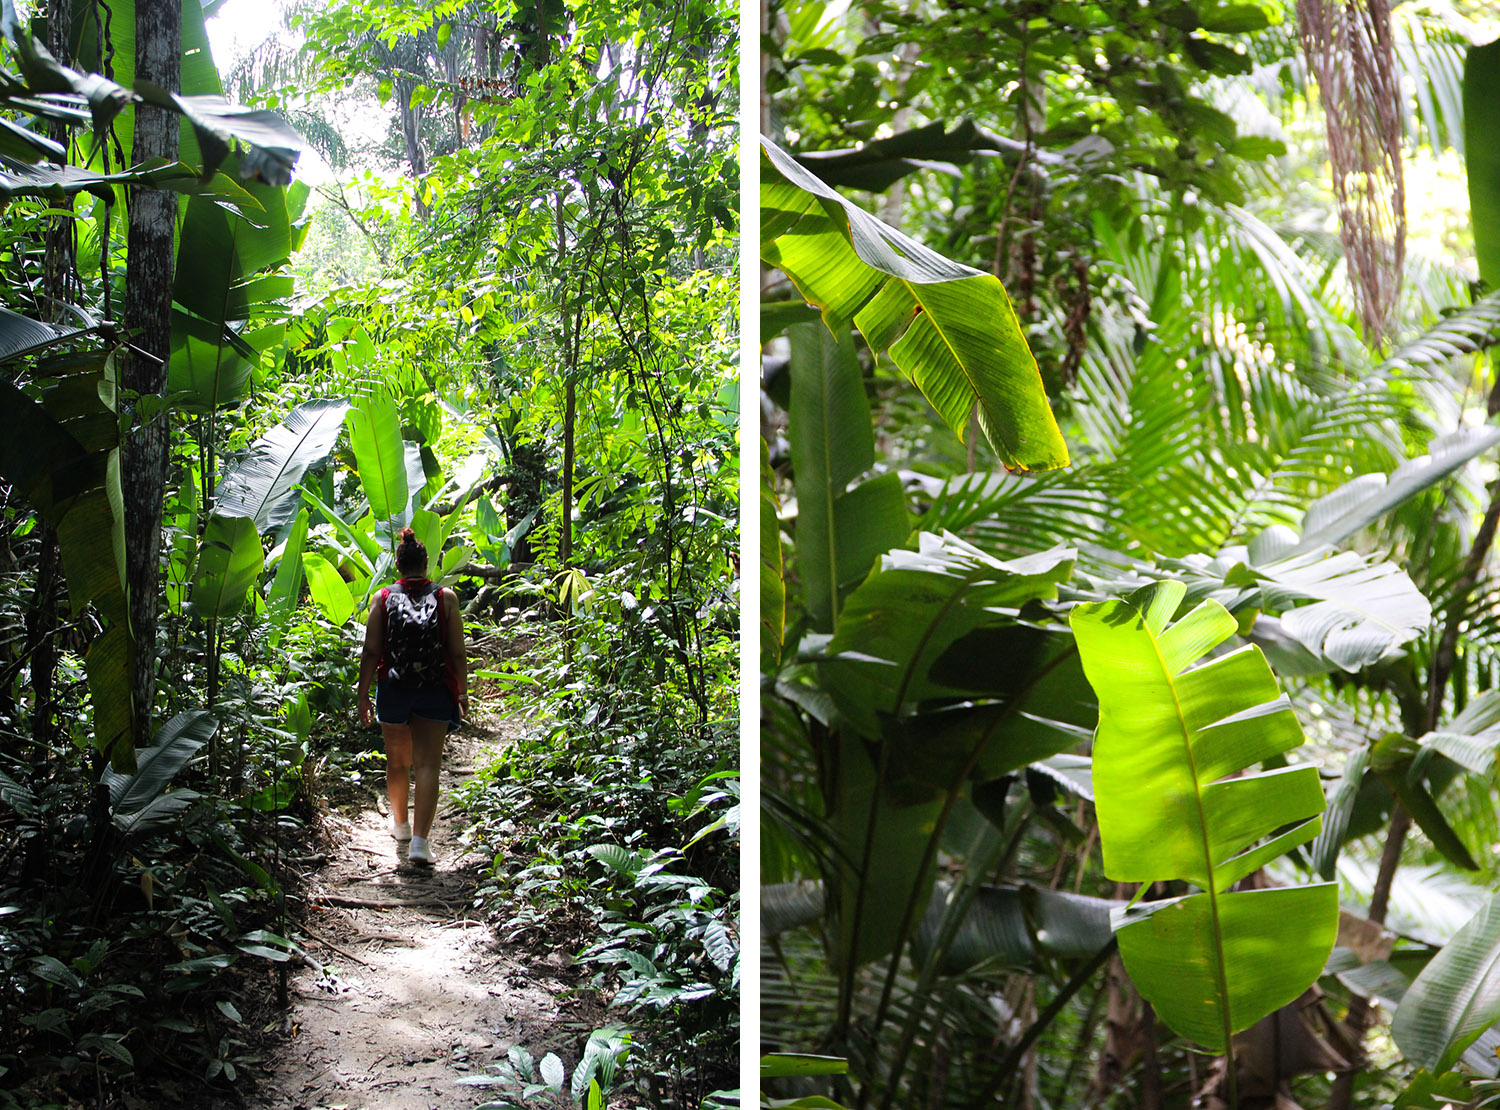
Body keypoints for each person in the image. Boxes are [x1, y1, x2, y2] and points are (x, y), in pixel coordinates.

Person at [356, 528, 469, 866]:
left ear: (398, 566)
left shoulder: (383, 597)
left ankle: (401, 826)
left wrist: (363, 695)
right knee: (428, 765)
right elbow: (458, 653)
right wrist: (462, 692)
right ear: (427, 563)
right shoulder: (446, 597)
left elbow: (371, 650)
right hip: (435, 690)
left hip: (394, 689)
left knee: (397, 763)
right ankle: (421, 843)